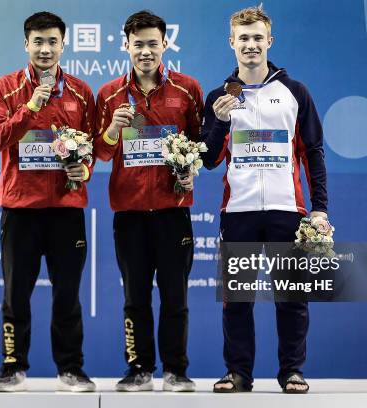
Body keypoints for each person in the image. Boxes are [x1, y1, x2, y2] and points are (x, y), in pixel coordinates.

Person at [202, 5, 329, 394]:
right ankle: (238, 374)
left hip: (287, 211)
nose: (251, 45)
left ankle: (293, 371)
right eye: (244, 38)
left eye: (258, 38)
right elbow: (207, 160)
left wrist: (320, 207)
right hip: (237, 211)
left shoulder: (295, 93)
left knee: (291, 297)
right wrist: (220, 121)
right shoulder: (218, 97)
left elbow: (314, 151)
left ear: (269, 41)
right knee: (236, 299)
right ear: (231, 43)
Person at [0, 11, 96, 392]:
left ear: (64, 44)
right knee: (16, 292)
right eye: (38, 41)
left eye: (52, 41)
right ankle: (12, 365)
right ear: (26, 44)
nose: (45, 49)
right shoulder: (5, 88)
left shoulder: (82, 92)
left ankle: (71, 368)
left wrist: (85, 171)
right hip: (20, 210)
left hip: (67, 210)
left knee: (68, 293)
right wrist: (30, 108)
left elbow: (91, 148)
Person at [94, 10, 204, 392]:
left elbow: (198, 146)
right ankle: (139, 368)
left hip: (174, 212)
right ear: (126, 46)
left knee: (176, 295)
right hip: (129, 213)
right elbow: (101, 153)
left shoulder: (188, 89)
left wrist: (192, 171)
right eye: (137, 44)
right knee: (134, 296)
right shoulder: (108, 94)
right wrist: (112, 129)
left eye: (152, 44)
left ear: (165, 45)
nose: (145, 51)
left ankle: (176, 370)